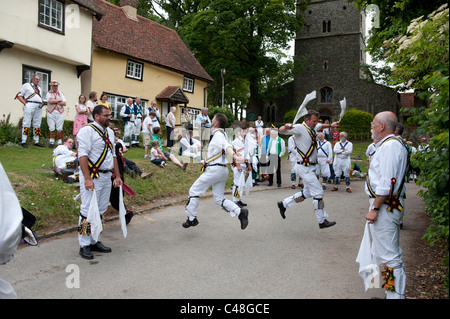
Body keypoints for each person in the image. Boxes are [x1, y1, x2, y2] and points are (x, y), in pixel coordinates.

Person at [357, 111, 409, 299]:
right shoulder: (389, 145)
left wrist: (375, 208)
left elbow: (387, 184)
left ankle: (396, 295)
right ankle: (391, 292)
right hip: (386, 206)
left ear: (382, 126)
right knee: (384, 255)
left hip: (385, 207)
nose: (371, 127)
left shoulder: (390, 147)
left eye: (373, 124)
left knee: (390, 257)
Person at [183, 113, 249, 230]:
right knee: (218, 199)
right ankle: (240, 212)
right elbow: (227, 146)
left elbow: (227, 146)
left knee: (193, 191)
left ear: (215, 123)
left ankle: (192, 218)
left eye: (212, 120)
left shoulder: (218, 135)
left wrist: (234, 156)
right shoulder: (223, 135)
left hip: (215, 169)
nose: (210, 121)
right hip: (222, 170)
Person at [276, 110, 338, 229]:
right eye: (314, 121)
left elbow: (321, 125)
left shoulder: (313, 127)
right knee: (318, 192)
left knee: (307, 192)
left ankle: (284, 204)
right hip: (303, 167)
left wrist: (331, 125)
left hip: (311, 167)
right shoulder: (299, 128)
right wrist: (285, 126)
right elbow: (281, 130)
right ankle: (322, 220)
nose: (316, 123)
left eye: (316, 121)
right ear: (307, 120)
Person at [76, 105, 122, 260]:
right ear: (96, 116)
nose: (109, 117)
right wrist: (87, 178)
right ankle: (84, 244)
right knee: (87, 209)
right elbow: (82, 155)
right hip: (92, 176)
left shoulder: (109, 132)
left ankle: (94, 240)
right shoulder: (86, 131)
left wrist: (117, 176)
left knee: (101, 209)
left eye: (110, 114)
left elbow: (113, 156)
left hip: (106, 176)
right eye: (106, 115)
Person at [16, 74, 44, 148]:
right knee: (27, 122)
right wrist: (25, 103)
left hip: (39, 106)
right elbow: (19, 95)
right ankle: (24, 141)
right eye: (36, 79)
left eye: (38, 79)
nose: (37, 80)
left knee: (37, 124)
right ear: (32, 79)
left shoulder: (39, 89)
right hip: (30, 104)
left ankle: (36, 141)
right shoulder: (26, 85)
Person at [231, 126, 249, 207]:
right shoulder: (235, 142)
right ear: (238, 133)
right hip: (237, 165)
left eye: (245, 132)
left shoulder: (243, 142)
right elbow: (234, 154)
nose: (244, 133)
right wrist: (238, 165)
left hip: (243, 165)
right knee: (237, 183)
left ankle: (239, 199)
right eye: (243, 132)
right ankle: (235, 201)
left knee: (241, 183)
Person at [46, 80, 67, 148]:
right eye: (54, 86)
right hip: (51, 111)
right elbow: (50, 101)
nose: (55, 87)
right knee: (51, 127)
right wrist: (59, 100)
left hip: (59, 111)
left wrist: (55, 102)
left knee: (59, 127)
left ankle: (59, 141)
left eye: (56, 86)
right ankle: (51, 142)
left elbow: (64, 103)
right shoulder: (48, 93)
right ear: (51, 86)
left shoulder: (61, 93)